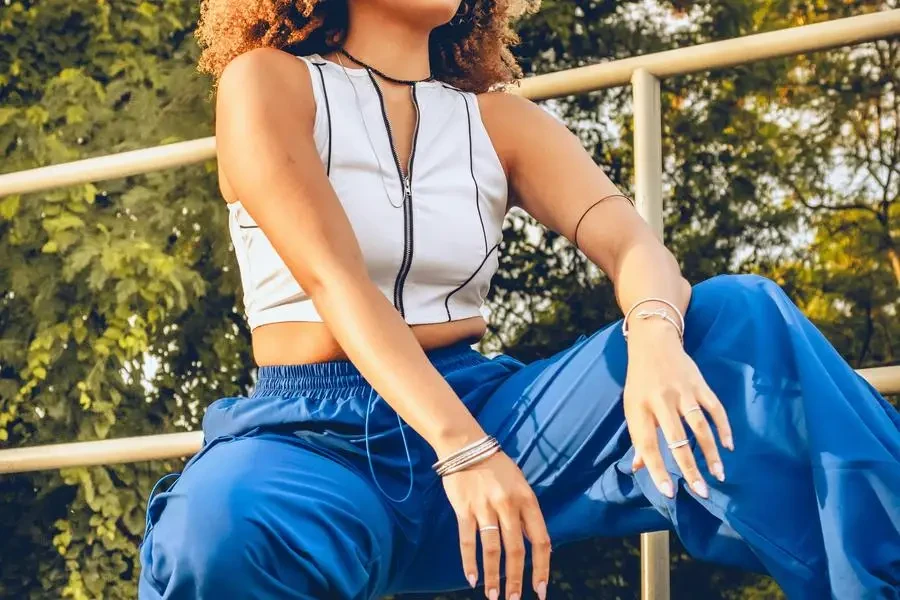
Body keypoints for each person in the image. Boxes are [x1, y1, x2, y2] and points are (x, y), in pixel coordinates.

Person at [138, 1, 900, 598]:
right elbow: (333, 279)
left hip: (495, 414)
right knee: (215, 527)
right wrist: (461, 448)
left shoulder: (500, 121)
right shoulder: (266, 81)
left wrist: (656, 339)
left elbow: (635, 246)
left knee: (741, 320)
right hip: (312, 438)